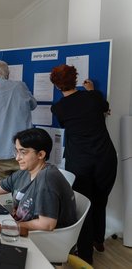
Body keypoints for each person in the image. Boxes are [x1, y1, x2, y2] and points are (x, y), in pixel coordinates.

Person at [50, 64, 117, 264]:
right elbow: (104, 107)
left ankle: (86, 255)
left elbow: (69, 119)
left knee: (84, 207)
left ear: (56, 86)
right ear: (76, 79)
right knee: (100, 199)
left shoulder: (59, 108)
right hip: (106, 158)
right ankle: (98, 240)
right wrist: (91, 90)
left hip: (80, 162)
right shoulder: (93, 97)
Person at [0, 128, 77, 231]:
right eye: (17, 151)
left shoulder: (47, 179)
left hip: (41, 238)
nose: (17, 158)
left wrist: (7, 227)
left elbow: (47, 225)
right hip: (22, 227)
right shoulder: (25, 172)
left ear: (41, 154)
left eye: (23, 152)